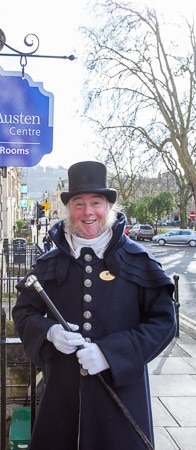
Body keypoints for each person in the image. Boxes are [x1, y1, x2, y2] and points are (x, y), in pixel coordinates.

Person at [12, 161, 176, 450]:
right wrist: (49, 332)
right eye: (79, 203)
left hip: (121, 396)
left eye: (96, 203)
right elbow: (24, 312)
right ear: (69, 210)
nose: (88, 212)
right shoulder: (49, 264)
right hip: (61, 398)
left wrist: (110, 353)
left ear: (109, 207)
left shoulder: (138, 261)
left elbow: (164, 322)